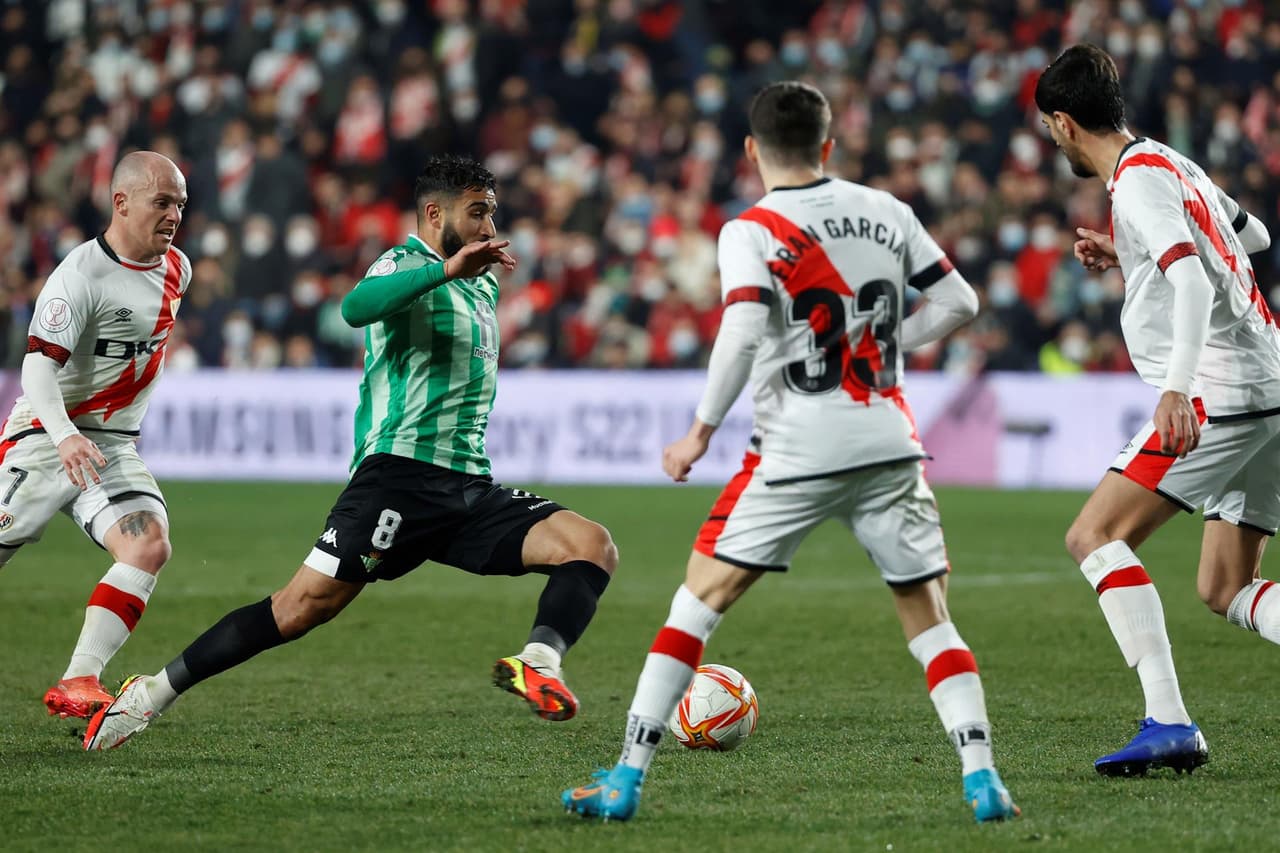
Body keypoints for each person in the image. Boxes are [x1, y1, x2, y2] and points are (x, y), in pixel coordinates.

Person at [561, 82, 1018, 823]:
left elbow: (743, 329)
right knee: (930, 617)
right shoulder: (888, 210)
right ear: (828, 145)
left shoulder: (750, 229)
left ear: (751, 150)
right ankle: (983, 776)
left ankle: (625, 779)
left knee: (696, 602)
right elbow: (959, 301)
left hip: (797, 446)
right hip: (887, 441)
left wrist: (700, 430)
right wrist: (882, 343)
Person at [84, 155, 618, 749]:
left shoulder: (484, 281)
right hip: (399, 478)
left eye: (492, 213)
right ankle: (150, 694)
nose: (489, 228)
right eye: (476, 213)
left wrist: (463, 270)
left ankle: (538, 661)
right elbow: (356, 308)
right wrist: (446, 269)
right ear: (434, 214)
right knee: (298, 609)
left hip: (468, 486)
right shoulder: (403, 263)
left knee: (590, 545)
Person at [1037, 44, 1278, 776]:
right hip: (1270, 381)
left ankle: (1169, 721)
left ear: (1065, 123)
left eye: (1050, 128)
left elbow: (1197, 283)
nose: (1053, 140)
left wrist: (1176, 387)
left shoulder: (1136, 180)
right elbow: (1254, 237)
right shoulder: (1172, 163)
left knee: (1095, 534)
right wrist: (1135, 254)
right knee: (1224, 586)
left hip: (1222, 390)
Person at [1, 151, 192, 720]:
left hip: (108, 448)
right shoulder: (79, 276)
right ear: (121, 202)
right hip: (46, 435)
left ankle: (79, 679)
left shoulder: (178, 269)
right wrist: (63, 436)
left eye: (181, 205)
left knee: (148, 544)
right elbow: (37, 369)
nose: (174, 216)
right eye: (162, 202)